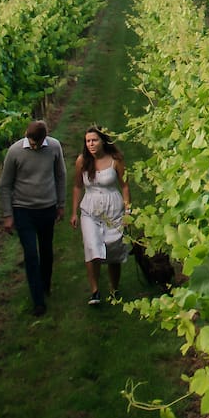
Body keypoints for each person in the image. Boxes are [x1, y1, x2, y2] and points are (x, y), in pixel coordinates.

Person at [0, 119, 66, 316]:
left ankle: (45, 284)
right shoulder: (15, 151)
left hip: (47, 207)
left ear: (45, 138)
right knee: (31, 254)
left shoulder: (54, 147)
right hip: (23, 209)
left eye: (38, 143)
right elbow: (4, 185)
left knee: (46, 250)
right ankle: (38, 300)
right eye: (32, 143)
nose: (34, 147)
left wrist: (61, 204)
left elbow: (61, 175)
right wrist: (8, 215)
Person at [69, 126, 131, 305]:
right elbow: (77, 186)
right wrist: (74, 212)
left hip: (113, 208)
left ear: (103, 141)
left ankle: (114, 289)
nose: (91, 144)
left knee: (113, 248)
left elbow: (125, 186)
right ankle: (95, 291)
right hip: (90, 209)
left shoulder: (115, 159)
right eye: (88, 141)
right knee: (92, 247)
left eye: (94, 140)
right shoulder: (82, 161)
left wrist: (128, 212)